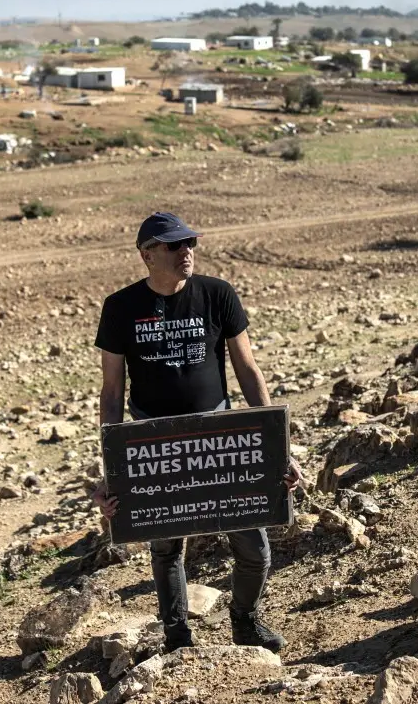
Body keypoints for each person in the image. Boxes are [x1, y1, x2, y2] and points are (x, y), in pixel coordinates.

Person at [92, 211, 302, 654]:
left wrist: (274, 445)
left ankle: (245, 621)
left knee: (254, 549)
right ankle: (177, 638)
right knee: (166, 549)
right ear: (147, 255)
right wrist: (114, 470)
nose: (186, 252)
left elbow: (247, 368)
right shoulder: (120, 308)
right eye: (174, 245)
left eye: (190, 243)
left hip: (220, 436)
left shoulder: (217, 294)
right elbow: (112, 392)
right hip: (154, 442)